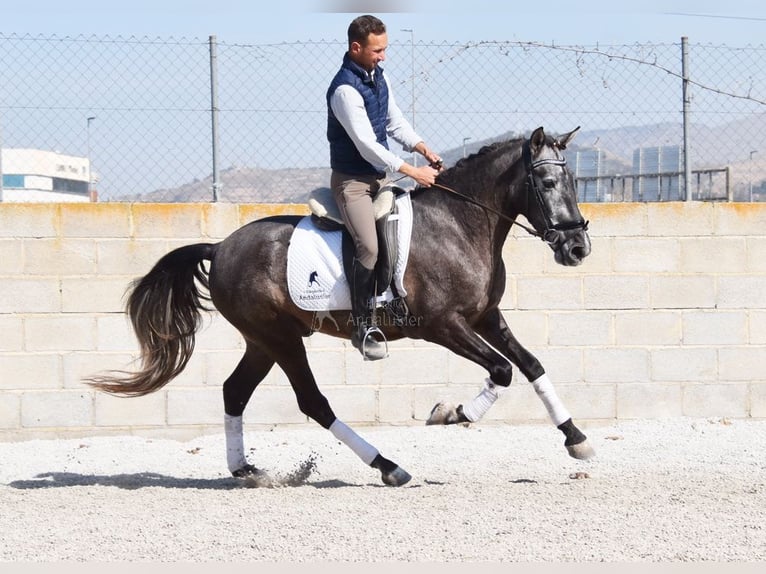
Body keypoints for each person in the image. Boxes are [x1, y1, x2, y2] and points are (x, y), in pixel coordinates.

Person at [327, 14, 442, 360]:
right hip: (353, 185)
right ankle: (362, 328)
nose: (383, 56)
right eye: (377, 50)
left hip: (381, 178)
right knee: (370, 248)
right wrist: (411, 170)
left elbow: (394, 122)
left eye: (385, 49)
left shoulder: (379, 77)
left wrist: (422, 147)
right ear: (356, 48)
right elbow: (366, 144)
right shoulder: (344, 90)